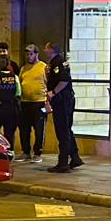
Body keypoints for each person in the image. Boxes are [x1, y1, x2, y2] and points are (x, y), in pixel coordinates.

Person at [44, 41, 83, 172]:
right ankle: (75, 157)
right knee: (66, 129)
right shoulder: (55, 62)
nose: (44, 50)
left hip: (63, 100)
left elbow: (64, 81)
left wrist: (53, 92)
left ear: (51, 49)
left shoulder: (58, 62)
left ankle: (63, 163)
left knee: (62, 130)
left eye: (46, 48)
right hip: (63, 100)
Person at [0, 43, 21, 153]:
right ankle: (10, 152)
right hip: (11, 107)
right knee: (9, 132)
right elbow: (18, 92)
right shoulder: (14, 76)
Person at [17, 43, 48, 162]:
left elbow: (48, 83)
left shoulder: (43, 67)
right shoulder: (23, 68)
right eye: (26, 54)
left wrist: (47, 101)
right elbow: (20, 83)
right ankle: (25, 152)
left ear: (36, 54)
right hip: (25, 102)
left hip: (39, 102)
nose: (28, 57)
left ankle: (37, 153)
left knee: (39, 129)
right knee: (24, 129)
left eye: (30, 54)